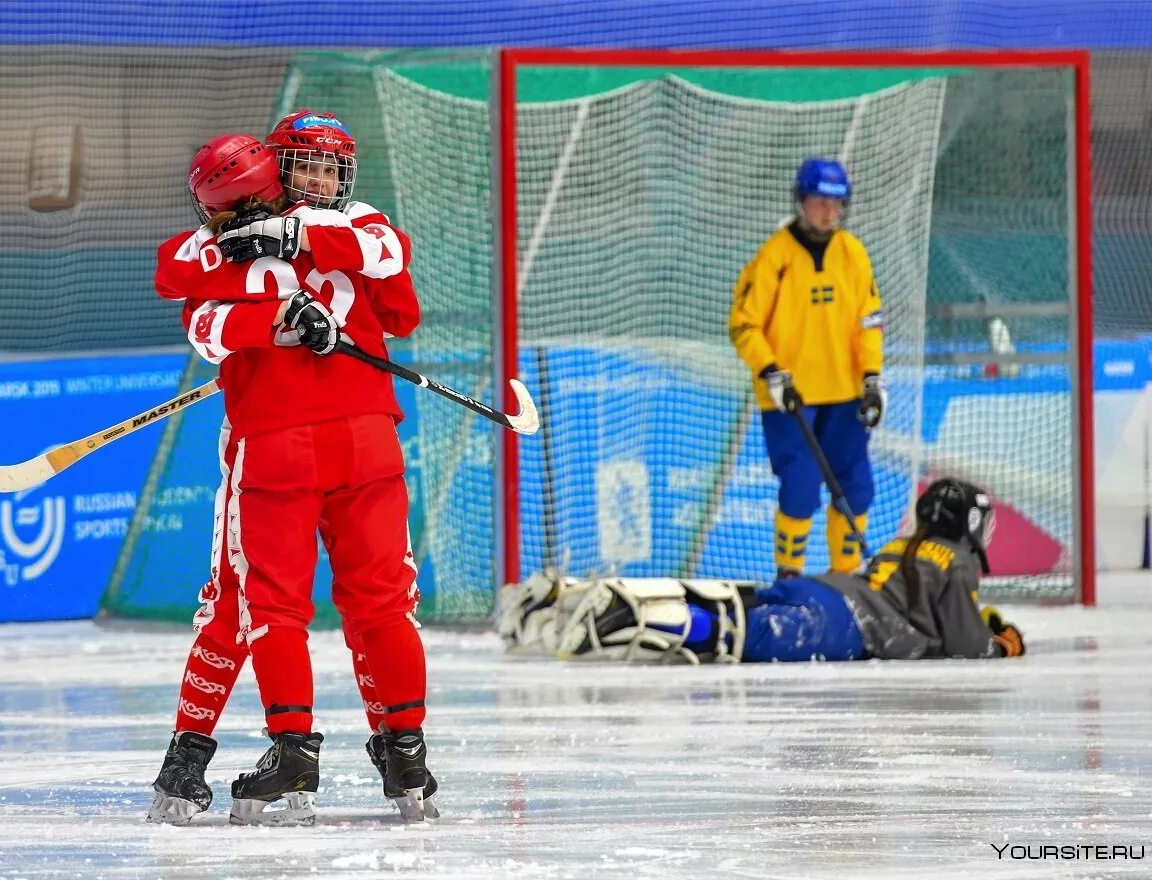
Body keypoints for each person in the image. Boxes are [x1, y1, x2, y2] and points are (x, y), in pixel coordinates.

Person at [146, 114, 437, 827]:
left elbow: (183, 290)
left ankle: (290, 756)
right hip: (366, 433)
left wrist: (272, 279)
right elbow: (399, 301)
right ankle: (406, 757)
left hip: (274, 442)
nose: (318, 181)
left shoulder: (225, 238)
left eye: (329, 169)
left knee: (263, 606)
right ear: (277, 168)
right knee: (380, 605)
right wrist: (281, 313)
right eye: (304, 167)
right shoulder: (358, 227)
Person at [501, 478, 1026, 664]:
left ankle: (570, 597)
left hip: (821, 586)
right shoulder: (956, 561)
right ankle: (633, 616)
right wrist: (998, 643)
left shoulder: (900, 545)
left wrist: (984, 620)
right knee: (739, 634)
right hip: (848, 624)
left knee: (736, 605)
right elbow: (962, 641)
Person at [727, 157, 887, 579]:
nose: (828, 213)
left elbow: (868, 322)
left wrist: (871, 376)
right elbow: (743, 325)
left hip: (844, 395)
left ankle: (847, 579)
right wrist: (771, 371)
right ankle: (789, 577)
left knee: (856, 487)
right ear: (801, 201)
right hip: (791, 399)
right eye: (819, 202)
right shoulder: (774, 257)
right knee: (799, 487)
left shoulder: (853, 254)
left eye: (836, 205)